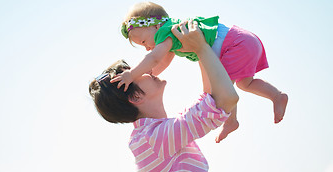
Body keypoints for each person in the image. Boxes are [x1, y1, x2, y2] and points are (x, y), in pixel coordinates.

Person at [89, 20, 238, 172]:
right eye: (136, 71)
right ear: (135, 96)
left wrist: (200, 46)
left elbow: (211, 98)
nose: (146, 68)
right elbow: (226, 99)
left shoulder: (156, 134)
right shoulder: (153, 138)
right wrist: (202, 48)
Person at [113, 1, 288, 143]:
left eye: (144, 41)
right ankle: (277, 96)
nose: (146, 48)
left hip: (233, 45)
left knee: (222, 87)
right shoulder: (171, 34)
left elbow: (154, 58)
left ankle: (231, 121)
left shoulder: (165, 32)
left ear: (156, 25)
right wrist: (149, 75)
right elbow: (163, 61)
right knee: (245, 83)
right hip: (244, 40)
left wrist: (132, 75)